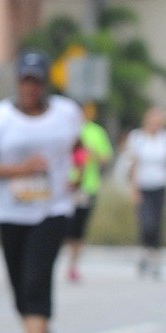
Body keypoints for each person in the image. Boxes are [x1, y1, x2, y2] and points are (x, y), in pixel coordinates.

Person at [0, 50, 83, 333]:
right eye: (26, 80)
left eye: (37, 81)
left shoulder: (67, 113)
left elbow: (80, 150)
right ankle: (39, 328)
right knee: (20, 290)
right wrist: (20, 171)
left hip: (52, 210)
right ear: (18, 81)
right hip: (11, 212)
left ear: (45, 84)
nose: (31, 88)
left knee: (37, 281)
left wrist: (79, 173)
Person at [124, 106, 166, 278]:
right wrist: (134, 188)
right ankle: (145, 251)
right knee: (146, 222)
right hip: (143, 185)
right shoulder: (137, 138)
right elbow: (133, 164)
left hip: (160, 185)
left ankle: (155, 257)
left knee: (157, 223)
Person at [63, 105, 114, 282]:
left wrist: (93, 153)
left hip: (87, 186)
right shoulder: (65, 129)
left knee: (79, 227)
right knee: (63, 226)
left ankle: (73, 264)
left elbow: (106, 157)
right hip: (65, 186)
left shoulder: (96, 132)